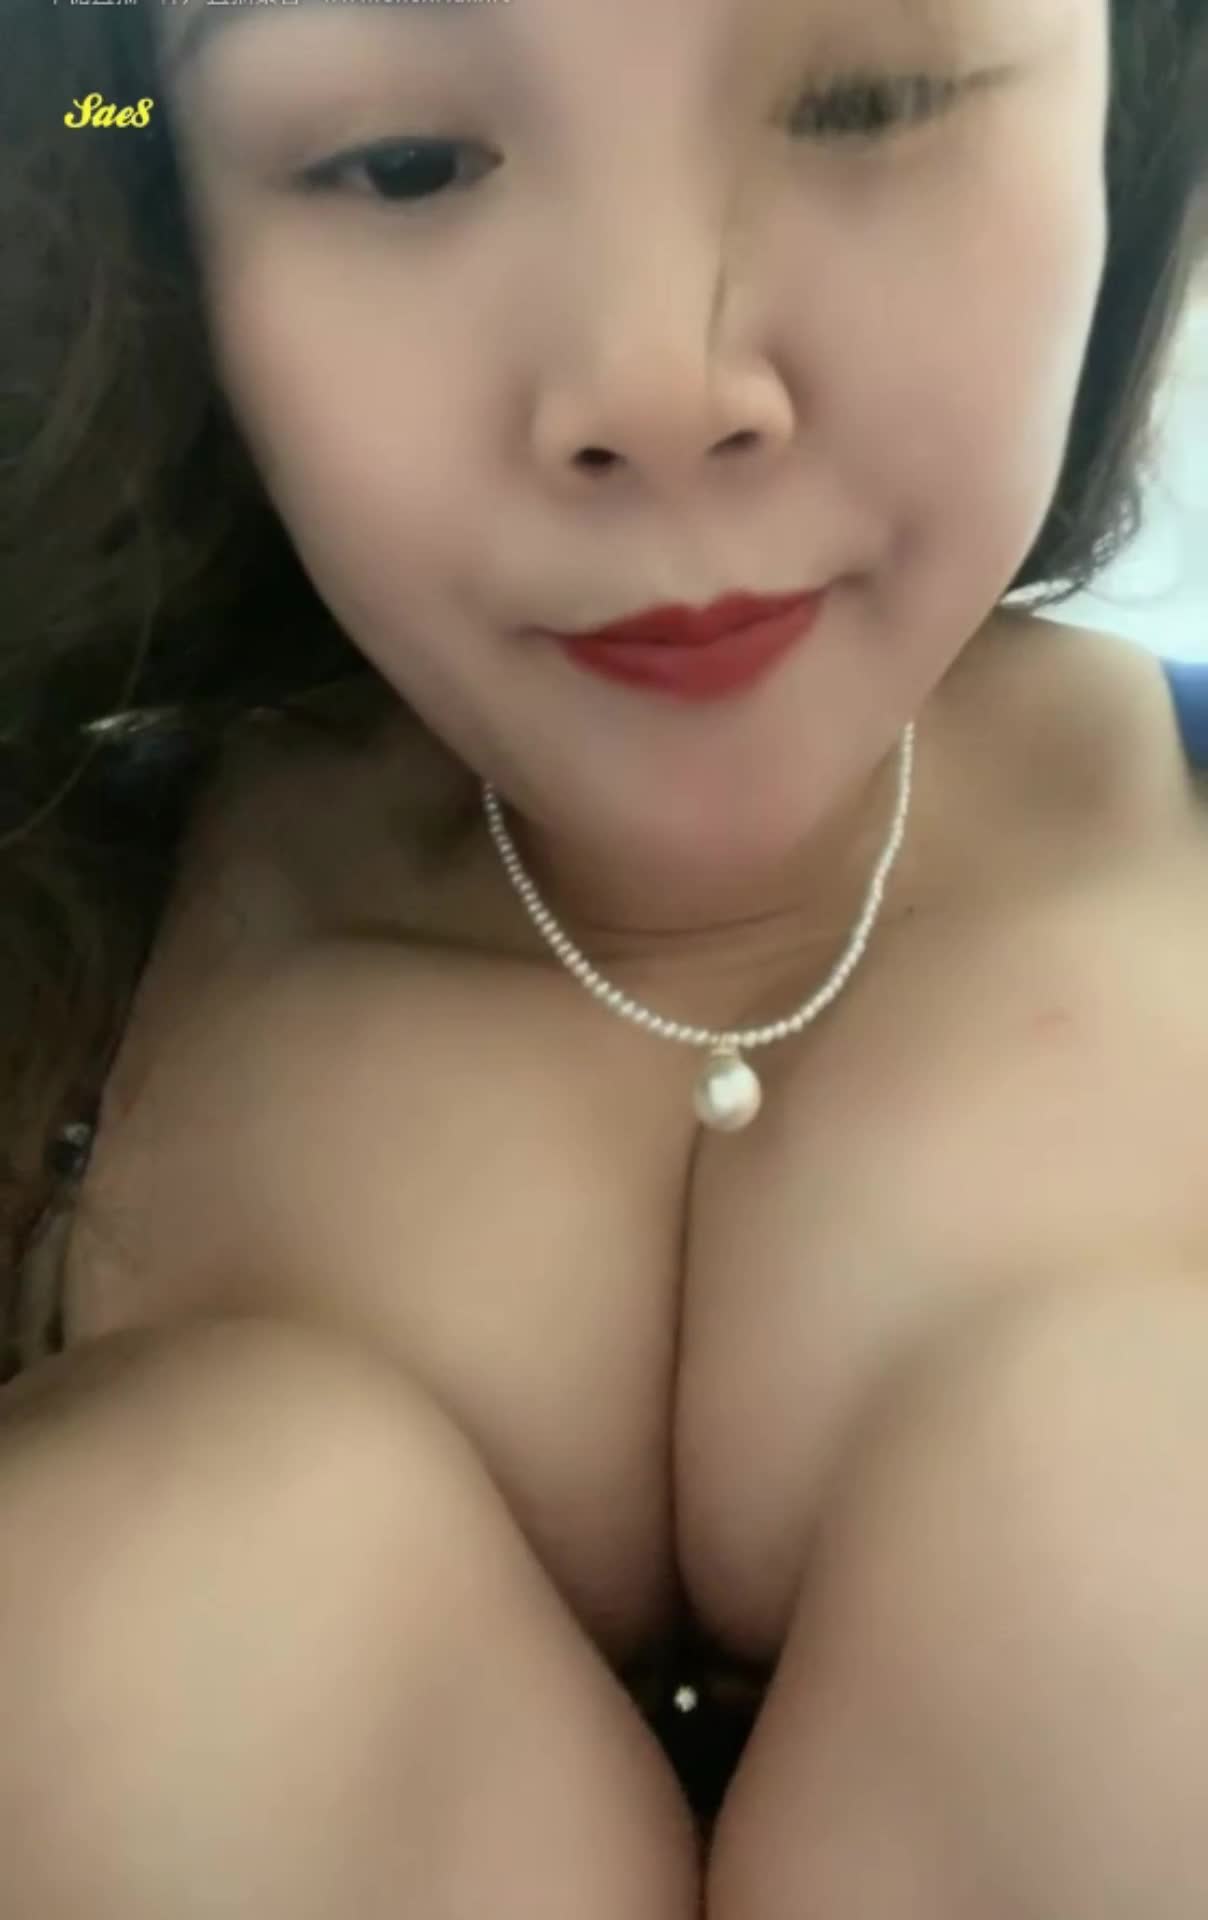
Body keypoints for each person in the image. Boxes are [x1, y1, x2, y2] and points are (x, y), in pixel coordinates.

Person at [1, 0, 1207, 1911]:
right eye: (400, 160)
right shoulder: (47, 923)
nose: (658, 380)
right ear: (161, 210)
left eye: (872, 98)